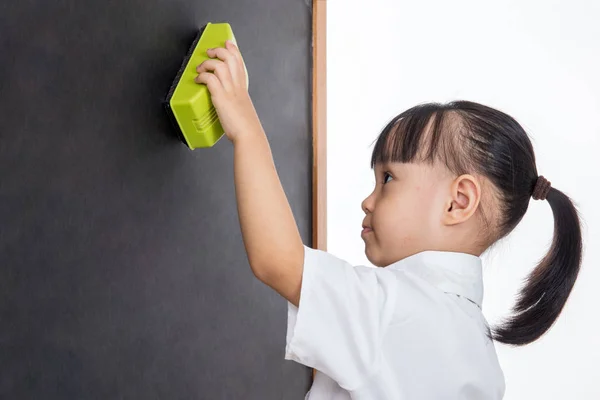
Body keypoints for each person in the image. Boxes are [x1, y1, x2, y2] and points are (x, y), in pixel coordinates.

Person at [194, 40, 583, 399]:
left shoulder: (403, 313)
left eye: (388, 179)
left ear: (458, 202)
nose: (367, 201)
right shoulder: (471, 346)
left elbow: (277, 260)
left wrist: (246, 128)